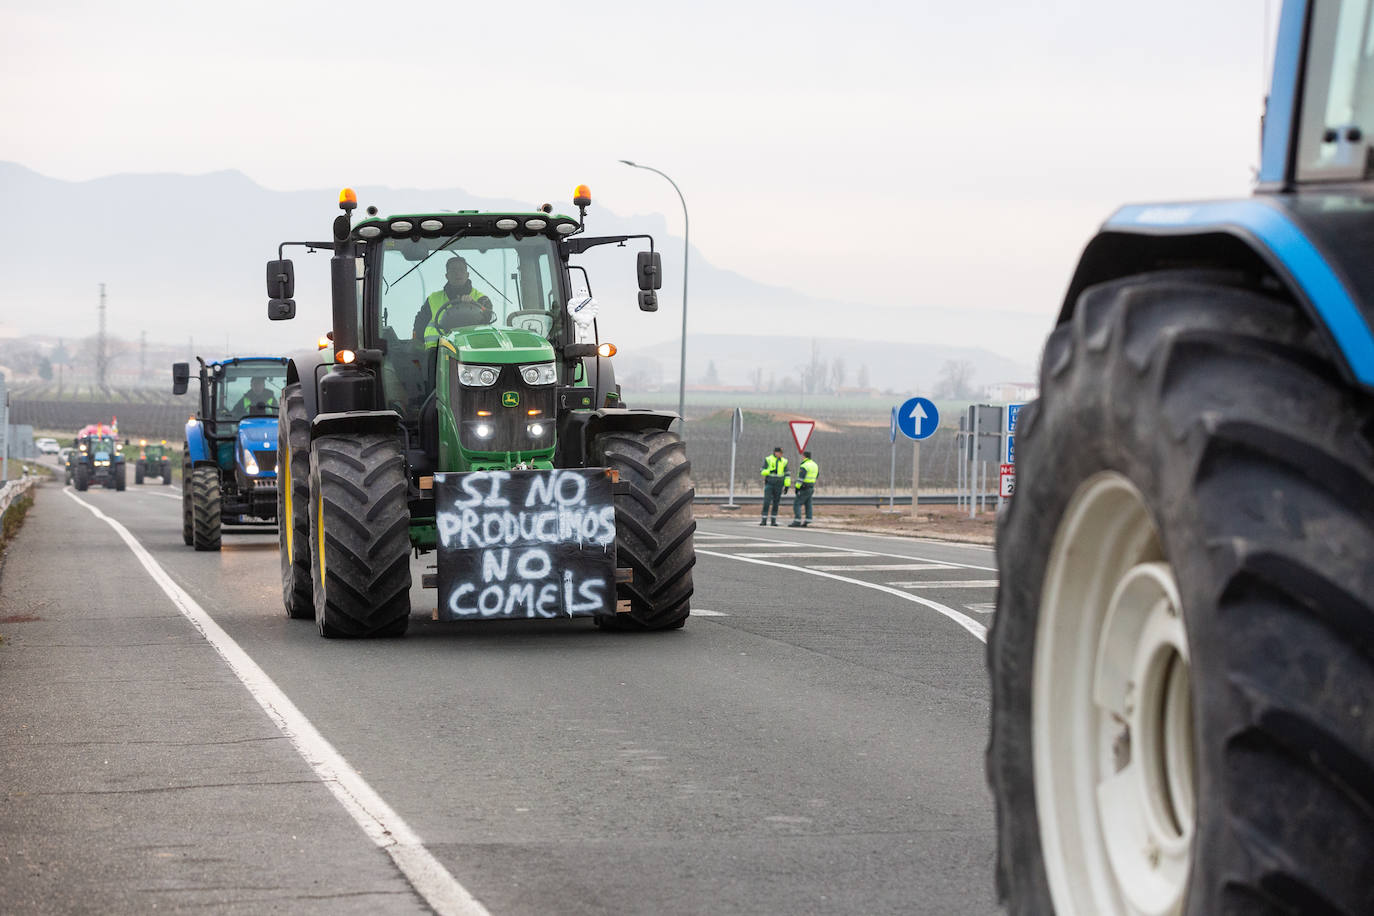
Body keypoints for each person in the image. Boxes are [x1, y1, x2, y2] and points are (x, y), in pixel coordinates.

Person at [413, 256, 494, 348]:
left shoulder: (482, 299)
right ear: (447, 276)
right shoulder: (433, 299)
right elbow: (419, 325)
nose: (457, 273)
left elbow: (488, 317)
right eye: (453, 270)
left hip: (472, 350)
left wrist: (474, 306)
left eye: (461, 270)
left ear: (467, 275)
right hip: (436, 352)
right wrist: (416, 348)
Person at [759, 446, 788, 526]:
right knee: (767, 502)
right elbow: (762, 471)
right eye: (780, 453)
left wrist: (787, 485)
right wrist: (770, 471)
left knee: (776, 503)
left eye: (782, 453)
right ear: (775, 452)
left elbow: (787, 474)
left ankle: (773, 520)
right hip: (770, 483)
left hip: (779, 485)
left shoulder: (784, 461)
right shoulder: (768, 459)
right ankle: (764, 520)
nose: (781, 455)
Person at [789, 450, 819, 527]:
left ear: (804, 456)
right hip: (811, 487)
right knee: (808, 504)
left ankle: (797, 521)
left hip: (804, 487)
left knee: (797, 503)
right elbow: (817, 475)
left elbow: (800, 478)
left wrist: (797, 487)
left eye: (802, 456)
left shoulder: (805, 465)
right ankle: (808, 520)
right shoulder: (815, 465)